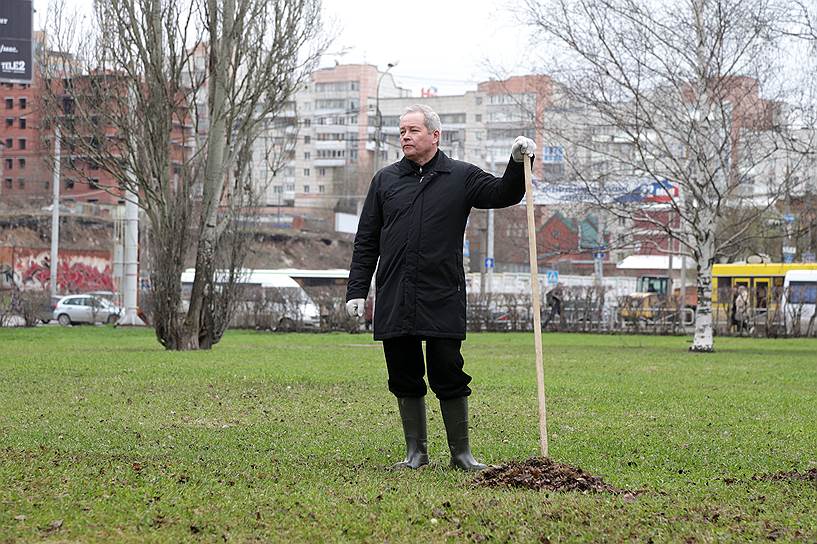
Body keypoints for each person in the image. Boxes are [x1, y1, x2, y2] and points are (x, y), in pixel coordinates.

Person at [345, 104, 534, 471]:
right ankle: (416, 454)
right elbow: (366, 239)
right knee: (403, 372)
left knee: (447, 370)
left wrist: (516, 163)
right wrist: (357, 289)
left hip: (441, 291)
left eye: (413, 130)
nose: (405, 137)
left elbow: (504, 194)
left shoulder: (460, 176)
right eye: (401, 131)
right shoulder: (385, 181)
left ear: (435, 135)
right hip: (395, 291)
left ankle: (461, 455)